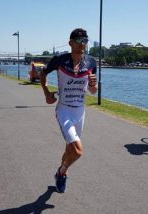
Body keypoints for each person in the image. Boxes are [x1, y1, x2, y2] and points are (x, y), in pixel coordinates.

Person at [40, 28, 97, 193]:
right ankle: (62, 172)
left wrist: (94, 85)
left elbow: (93, 91)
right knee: (78, 151)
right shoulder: (59, 60)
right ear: (71, 43)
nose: (83, 44)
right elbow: (42, 73)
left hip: (80, 111)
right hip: (64, 110)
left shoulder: (91, 62)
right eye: (79, 41)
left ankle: (61, 172)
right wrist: (46, 92)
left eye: (85, 41)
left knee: (69, 149)